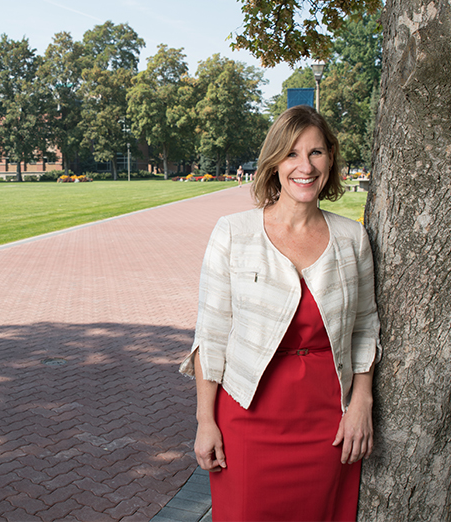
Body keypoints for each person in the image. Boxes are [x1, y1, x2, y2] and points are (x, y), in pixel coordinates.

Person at [180, 105, 382, 522]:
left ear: (331, 159)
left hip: (328, 422)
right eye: (292, 154)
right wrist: (205, 421)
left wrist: (361, 401)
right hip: (248, 419)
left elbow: (365, 328)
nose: (304, 166)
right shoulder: (234, 233)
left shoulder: (352, 237)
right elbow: (211, 334)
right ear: (273, 163)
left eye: (317, 153)